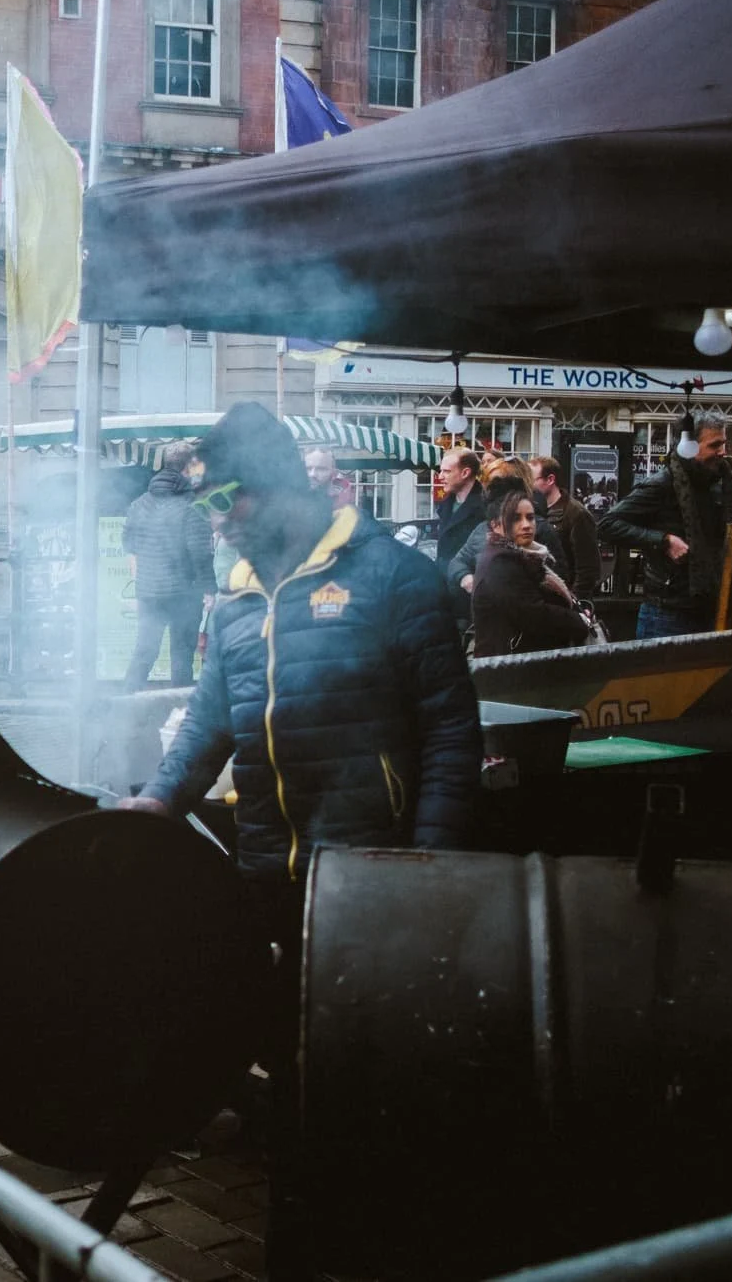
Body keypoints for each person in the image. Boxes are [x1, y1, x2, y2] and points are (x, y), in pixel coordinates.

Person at [121, 405, 480, 1263]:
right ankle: (302, 1224)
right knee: (291, 1059)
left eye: (230, 503)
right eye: (212, 509)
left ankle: (381, 1231)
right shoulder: (240, 596)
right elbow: (213, 713)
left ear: (277, 488)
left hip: (371, 876)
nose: (221, 522)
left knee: (368, 1069)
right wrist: (159, 800)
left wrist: (424, 865)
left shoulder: (395, 578)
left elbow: (449, 737)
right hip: (270, 873)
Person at [597, 413, 732, 639]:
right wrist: (663, 541)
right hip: (666, 614)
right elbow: (607, 524)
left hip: (711, 607)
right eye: (715, 445)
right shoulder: (662, 484)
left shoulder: (722, 485)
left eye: (724, 444)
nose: (723, 452)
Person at [120, 444, 215, 688]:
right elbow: (199, 551)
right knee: (182, 654)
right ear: (189, 467)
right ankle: (177, 711)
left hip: (149, 590)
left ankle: (123, 708)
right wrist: (209, 588)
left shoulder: (139, 504)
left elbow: (129, 544)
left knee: (144, 651)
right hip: (184, 592)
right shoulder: (193, 504)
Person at [472, 486, 591, 658]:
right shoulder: (500, 563)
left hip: (527, 662)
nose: (526, 525)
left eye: (530, 517)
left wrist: (577, 610)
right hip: (510, 668)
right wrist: (578, 621)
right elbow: (534, 614)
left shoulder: (529, 555)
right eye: (515, 519)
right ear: (496, 525)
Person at [445, 459, 560, 599]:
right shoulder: (483, 529)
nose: (491, 488)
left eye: (497, 481)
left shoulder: (540, 529)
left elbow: (558, 579)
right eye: (487, 482)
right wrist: (465, 577)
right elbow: (458, 561)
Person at [531, 455, 602, 597]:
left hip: (565, 597)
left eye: (531, 480)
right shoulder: (530, 510)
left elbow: (587, 568)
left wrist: (574, 601)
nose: (528, 485)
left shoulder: (576, 514)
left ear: (550, 480)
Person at [433, 447, 485, 620]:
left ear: (465, 473)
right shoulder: (445, 505)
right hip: (446, 591)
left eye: (446, 471)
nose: (440, 476)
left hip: (470, 595)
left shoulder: (486, 506)